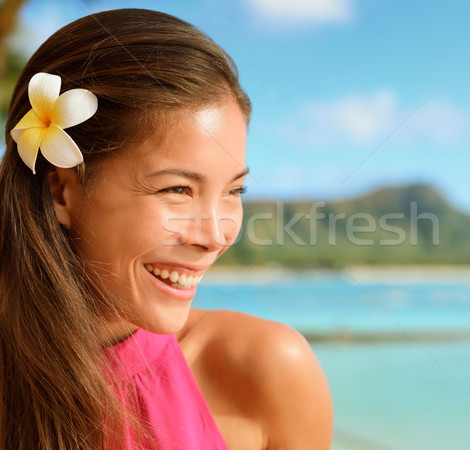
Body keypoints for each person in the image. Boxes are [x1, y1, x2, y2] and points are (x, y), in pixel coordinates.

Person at [0, 8, 333, 449]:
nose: (215, 235)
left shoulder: (265, 370)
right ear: (62, 191)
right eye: (177, 189)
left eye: (234, 191)